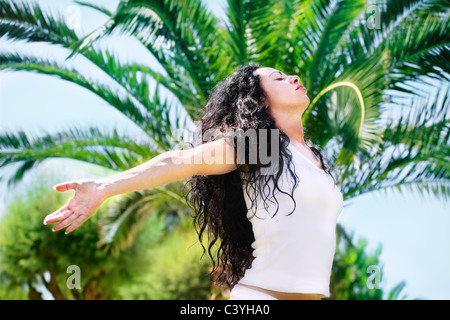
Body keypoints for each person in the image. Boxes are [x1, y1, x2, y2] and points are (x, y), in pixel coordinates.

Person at [43, 63, 343, 300]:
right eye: (278, 79)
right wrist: (105, 187)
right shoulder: (263, 146)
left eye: (288, 75)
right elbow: (179, 161)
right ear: (261, 101)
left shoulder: (315, 160)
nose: (292, 77)